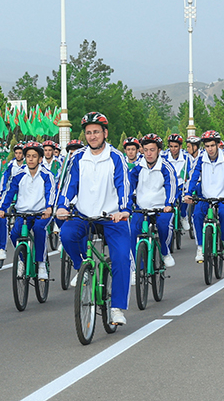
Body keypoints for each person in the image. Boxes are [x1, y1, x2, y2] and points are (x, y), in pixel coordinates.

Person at [57, 112, 131, 326]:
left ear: (105, 133)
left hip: (111, 217)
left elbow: (123, 186)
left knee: (120, 258)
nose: (92, 136)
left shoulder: (116, 157)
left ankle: (116, 308)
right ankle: (82, 268)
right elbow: (69, 185)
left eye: (96, 132)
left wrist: (124, 209)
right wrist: (62, 205)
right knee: (67, 234)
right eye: (88, 132)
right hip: (83, 214)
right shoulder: (77, 158)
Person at [0, 142, 56, 280]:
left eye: (34, 156)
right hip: (23, 213)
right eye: (28, 156)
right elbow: (9, 192)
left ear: (40, 159)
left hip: (41, 213)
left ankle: (41, 263)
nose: (30, 159)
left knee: (39, 229)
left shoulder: (47, 175)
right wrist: (1, 208)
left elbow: (50, 192)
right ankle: (22, 260)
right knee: (15, 233)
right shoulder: (19, 174)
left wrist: (49, 207)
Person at [184, 130, 224, 262]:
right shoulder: (200, 158)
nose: (210, 149)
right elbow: (193, 177)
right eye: (207, 146)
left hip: (223, 196)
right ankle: (200, 247)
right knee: (196, 216)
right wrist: (188, 194)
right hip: (205, 196)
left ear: (218, 144)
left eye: (212, 145)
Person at [128, 134, 178, 267]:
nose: (149, 154)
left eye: (152, 150)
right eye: (146, 150)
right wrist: (126, 205)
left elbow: (171, 186)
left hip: (161, 208)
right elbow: (128, 186)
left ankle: (164, 252)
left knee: (163, 225)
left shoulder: (166, 167)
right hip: (141, 208)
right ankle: (137, 268)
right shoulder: (137, 167)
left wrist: (169, 204)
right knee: (132, 230)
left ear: (159, 151)